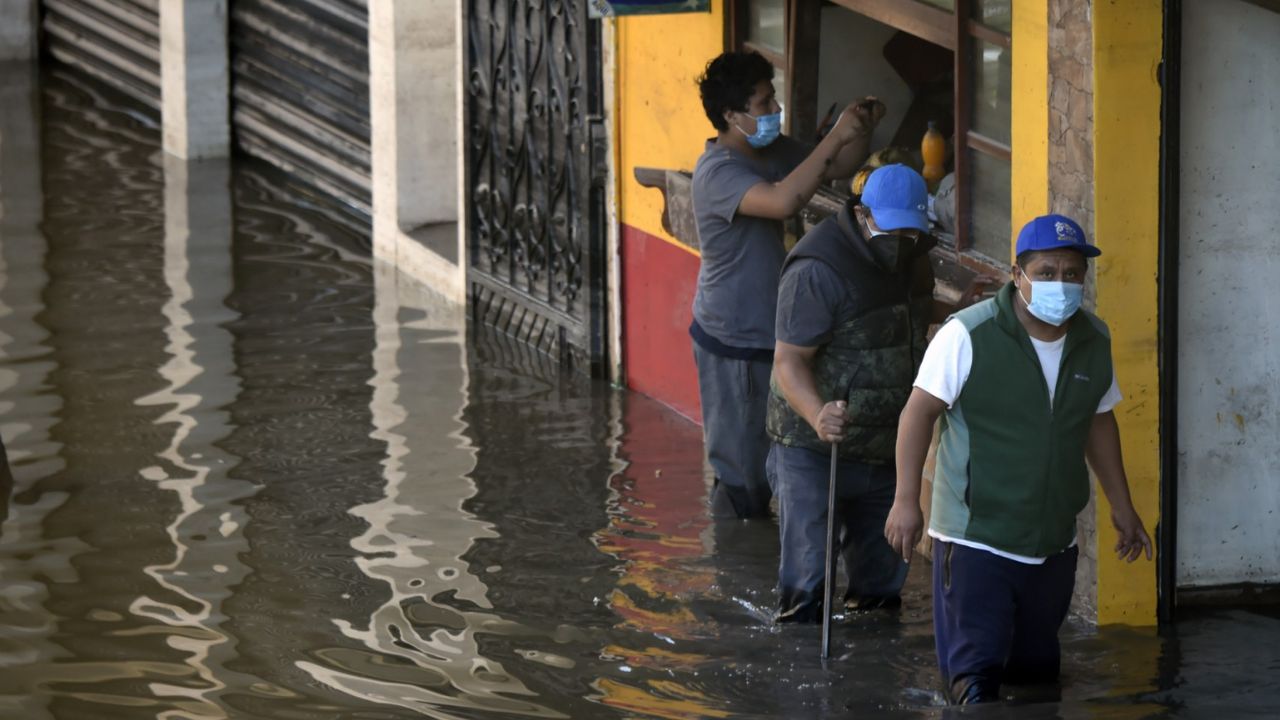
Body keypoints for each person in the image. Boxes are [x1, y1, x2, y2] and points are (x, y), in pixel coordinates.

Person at [883, 214, 1153, 704]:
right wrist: (906, 501)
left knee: (1036, 684)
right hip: (975, 539)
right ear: (1017, 275)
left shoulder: (1094, 339)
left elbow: (1097, 421)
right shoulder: (968, 335)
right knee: (974, 686)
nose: (1061, 284)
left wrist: (1122, 506)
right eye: (1046, 272)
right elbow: (918, 414)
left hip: (1052, 543)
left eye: (1072, 273)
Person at [691, 50, 884, 520]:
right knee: (742, 477)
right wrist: (834, 135)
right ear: (732, 116)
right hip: (733, 339)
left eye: (772, 97)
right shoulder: (716, 173)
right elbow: (783, 200)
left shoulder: (769, 151)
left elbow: (834, 166)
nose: (774, 109)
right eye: (763, 103)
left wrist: (858, 130)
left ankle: (759, 557)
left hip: (774, 332)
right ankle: (732, 562)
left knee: (777, 464)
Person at [766, 164, 936, 621]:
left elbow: (907, 316)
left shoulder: (915, 255)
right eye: (892, 229)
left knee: (881, 585)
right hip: (816, 445)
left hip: (884, 444)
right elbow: (789, 360)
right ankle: (802, 666)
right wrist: (818, 413)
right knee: (807, 582)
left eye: (911, 232)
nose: (901, 241)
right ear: (863, 215)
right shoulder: (818, 270)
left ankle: (872, 673)